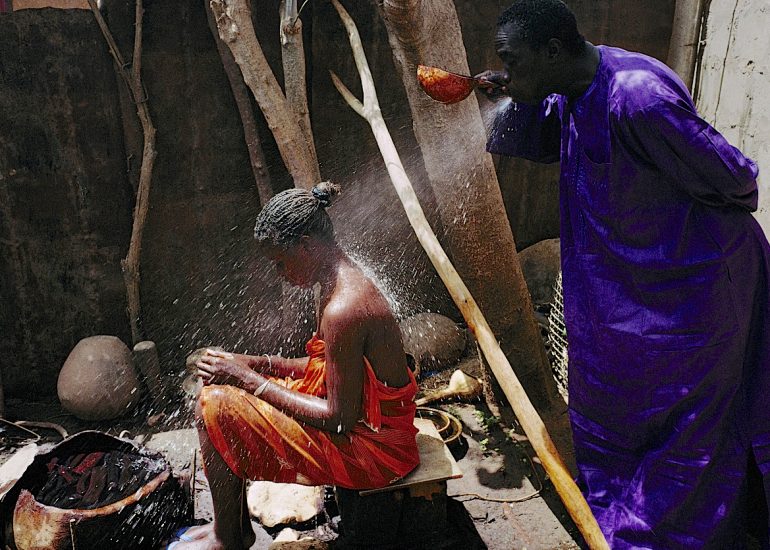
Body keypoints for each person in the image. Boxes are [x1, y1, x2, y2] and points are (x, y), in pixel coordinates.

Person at [479, 1, 770, 547]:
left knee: (687, 423)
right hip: (638, 288)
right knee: (619, 405)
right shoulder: (571, 86)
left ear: (552, 51)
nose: (507, 71)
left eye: (512, 62)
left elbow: (736, 182)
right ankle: (629, 518)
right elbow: (547, 134)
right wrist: (508, 93)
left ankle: (670, 535)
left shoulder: (638, 97)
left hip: (699, 287)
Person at [171, 182, 419, 549]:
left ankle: (229, 538)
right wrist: (259, 363)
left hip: (376, 451)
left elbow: (339, 417)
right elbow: (328, 365)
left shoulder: (343, 308)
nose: (280, 274)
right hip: (366, 430)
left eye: (281, 262)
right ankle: (231, 529)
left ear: (306, 245)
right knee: (220, 396)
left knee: (214, 405)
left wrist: (250, 379)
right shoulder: (335, 281)